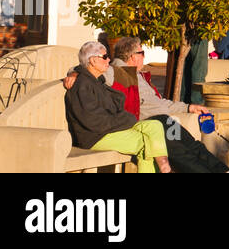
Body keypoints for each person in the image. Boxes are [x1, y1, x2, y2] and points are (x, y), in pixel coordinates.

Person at [108, 37, 229, 173]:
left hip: (163, 119)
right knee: (182, 154)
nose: (144, 57)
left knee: (194, 146)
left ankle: (225, 171)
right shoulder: (116, 72)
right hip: (151, 124)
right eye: (142, 53)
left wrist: (188, 107)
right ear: (132, 57)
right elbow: (97, 75)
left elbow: (160, 103)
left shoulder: (137, 74)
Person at [63, 40, 171, 174]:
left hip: (109, 129)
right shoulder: (82, 85)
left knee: (154, 125)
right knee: (145, 144)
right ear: (92, 61)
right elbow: (93, 121)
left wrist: (125, 118)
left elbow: (115, 106)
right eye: (104, 57)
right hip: (94, 137)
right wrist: (126, 120)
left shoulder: (97, 81)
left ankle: (164, 164)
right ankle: (164, 167)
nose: (108, 59)